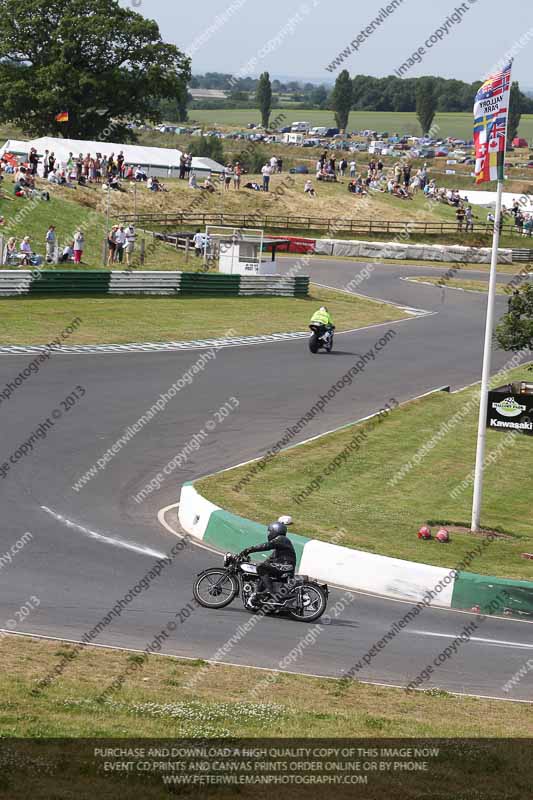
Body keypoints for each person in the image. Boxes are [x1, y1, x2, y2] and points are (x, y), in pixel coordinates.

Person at [240, 521, 296, 601]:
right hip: (284, 566)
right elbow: (270, 560)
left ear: (275, 531)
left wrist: (249, 550)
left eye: (270, 531)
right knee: (262, 569)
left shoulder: (281, 539)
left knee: (261, 567)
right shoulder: (280, 545)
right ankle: (258, 596)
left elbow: (266, 546)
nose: (268, 534)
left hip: (286, 566)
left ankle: (271, 592)